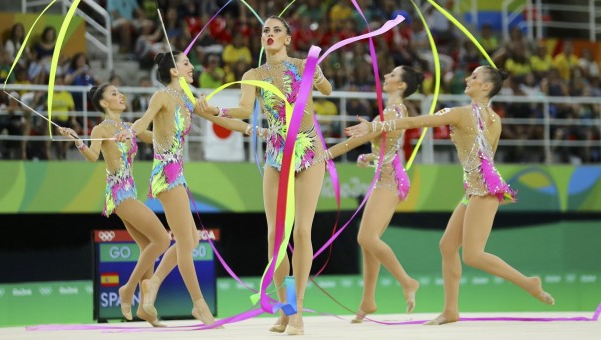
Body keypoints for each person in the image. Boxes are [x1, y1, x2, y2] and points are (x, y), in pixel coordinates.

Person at [345, 66, 555, 325]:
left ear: (486, 87)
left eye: (474, 77)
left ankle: (529, 283)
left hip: (484, 190)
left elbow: (414, 122)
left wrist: (375, 127)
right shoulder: (494, 119)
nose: (467, 79)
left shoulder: (460, 113)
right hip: (477, 188)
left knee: (473, 255)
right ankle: (451, 310)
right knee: (447, 246)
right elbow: (487, 156)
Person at [196, 15, 333, 335]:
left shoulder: (303, 65)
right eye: (264, 31)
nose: (269, 34)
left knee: (301, 232)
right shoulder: (253, 74)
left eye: (276, 31)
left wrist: (318, 70)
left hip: (309, 151)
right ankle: (285, 309)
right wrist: (216, 111)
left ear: (287, 38)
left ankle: (298, 310)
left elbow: (327, 90)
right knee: (275, 239)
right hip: (276, 155)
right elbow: (244, 110)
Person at [123, 51, 260, 327]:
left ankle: (151, 288)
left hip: (177, 175)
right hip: (166, 174)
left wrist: (255, 131)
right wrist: (131, 130)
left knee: (192, 241)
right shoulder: (161, 96)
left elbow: (223, 121)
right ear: (174, 71)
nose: (192, 66)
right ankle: (199, 305)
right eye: (186, 63)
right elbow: (144, 121)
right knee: (187, 243)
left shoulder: (187, 100)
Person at [58, 83, 170, 327]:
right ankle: (127, 290)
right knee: (162, 240)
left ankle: (145, 309)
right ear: (103, 103)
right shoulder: (101, 128)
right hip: (119, 194)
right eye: (114, 94)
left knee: (147, 248)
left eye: (120, 92)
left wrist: (169, 124)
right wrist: (77, 140)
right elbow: (92, 157)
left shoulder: (130, 127)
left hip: (131, 192)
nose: (120, 96)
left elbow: (156, 138)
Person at [323, 66, 423, 322]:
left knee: (366, 238)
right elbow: (387, 148)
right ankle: (368, 301)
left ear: (401, 86)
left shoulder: (392, 111)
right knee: (370, 242)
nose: (386, 76)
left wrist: (325, 154)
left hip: (390, 180)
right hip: (387, 176)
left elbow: (358, 139)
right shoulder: (393, 111)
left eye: (392, 75)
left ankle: (407, 281)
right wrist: (370, 156)